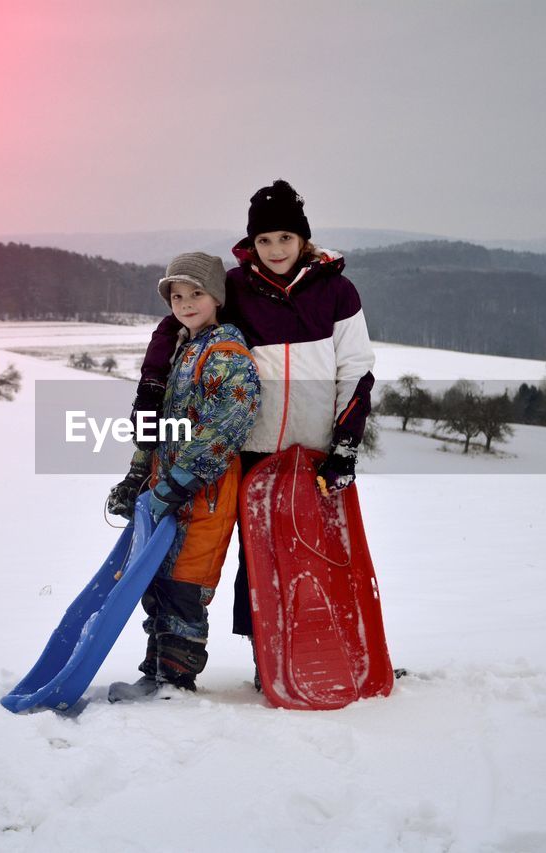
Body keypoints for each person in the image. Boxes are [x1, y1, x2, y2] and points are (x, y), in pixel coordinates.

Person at [129, 180, 375, 685]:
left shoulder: (336, 291)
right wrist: (151, 393)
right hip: (246, 452)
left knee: (306, 557)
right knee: (246, 561)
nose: (276, 250)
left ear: (303, 239)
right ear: (252, 244)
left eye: (285, 238)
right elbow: (173, 328)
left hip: (311, 456)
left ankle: (305, 653)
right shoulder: (238, 287)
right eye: (264, 240)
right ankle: (263, 656)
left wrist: (345, 446)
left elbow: (355, 368)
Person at [106, 251, 260, 698]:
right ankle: (154, 675)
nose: (186, 303)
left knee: (184, 586)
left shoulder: (226, 351)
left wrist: (177, 483)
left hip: (205, 491)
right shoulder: (182, 349)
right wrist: (138, 476)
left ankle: (176, 683)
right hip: (167, 488)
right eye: (177, 295)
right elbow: (161, 429)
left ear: (217, 297)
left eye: (197, 293)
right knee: (155, 582)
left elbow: (228, 423)